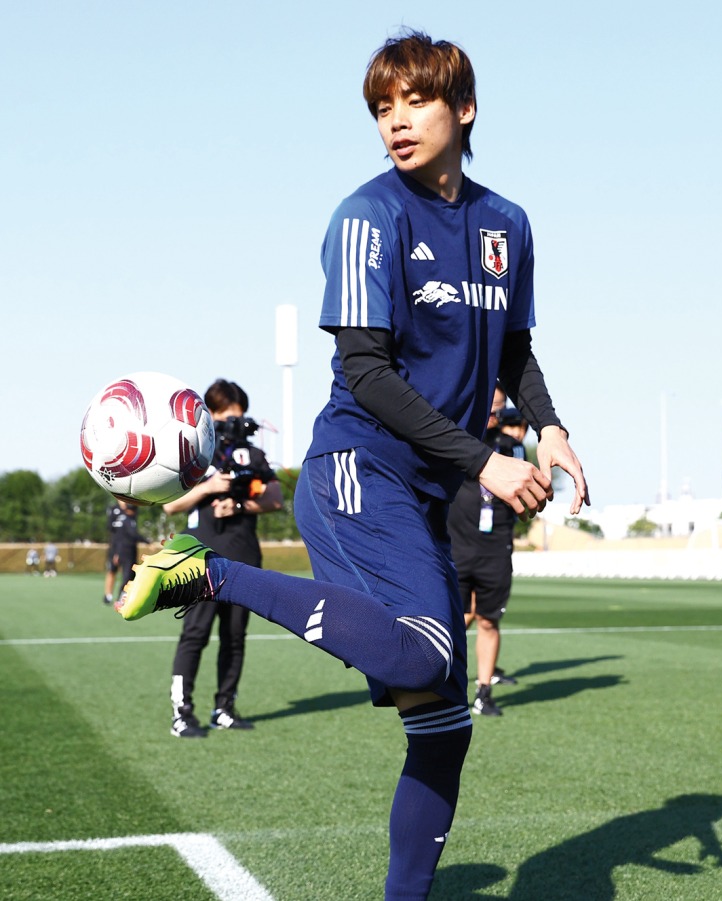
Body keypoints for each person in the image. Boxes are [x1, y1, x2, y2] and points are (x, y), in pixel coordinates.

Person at [115, 30, 587, 901]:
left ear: (465, 108)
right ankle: (207, 571)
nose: (396, 122)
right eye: (382, 107)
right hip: (356, 468)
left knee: (443, 722)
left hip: (427, 486)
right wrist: (487, 459)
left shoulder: (507, 225)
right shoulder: (369, 217)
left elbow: (513, 348)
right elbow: (366, 374)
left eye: (415, 101)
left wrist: (549, 428)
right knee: (420, 659)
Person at [161, 380, 284, 738]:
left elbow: (274, 498)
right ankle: (182, 713)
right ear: (210, 415)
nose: (234, 422)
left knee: (235, 636)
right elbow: (170, 505)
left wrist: (242, 503)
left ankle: (224, 707)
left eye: (239, 415)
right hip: (200, 558)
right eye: (227, 415)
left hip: (243, 555)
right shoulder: (196, 456)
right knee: (195, 632)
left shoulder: (253, 455)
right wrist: (209, 487)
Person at [449, 387, 526, 716]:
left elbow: (521, 491)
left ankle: (483, 692)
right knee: (455, 619)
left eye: (499, 407)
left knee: (488, 620)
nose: (493, 413)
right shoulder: (453, 438)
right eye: (489, 406)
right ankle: (435, 683)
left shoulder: (512, 446)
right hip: (456, 545)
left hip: (495, 546)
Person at [104, 500, 147, 604]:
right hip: (116, 545)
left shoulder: (132, 509)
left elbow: (133, 532)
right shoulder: (114, 509)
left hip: (127, 547)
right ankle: (108, 595)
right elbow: (110, 527)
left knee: (128, 574)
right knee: (112, 570)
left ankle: (123, 596)